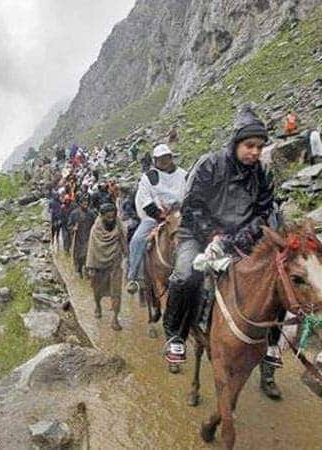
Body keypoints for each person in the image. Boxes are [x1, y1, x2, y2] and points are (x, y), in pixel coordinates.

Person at [163, 105, 283, 399]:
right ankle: (175, 335)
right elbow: (191, 205)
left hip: (241, 238)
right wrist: (213, 234)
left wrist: (238, 238)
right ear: (236, 143)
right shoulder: (209, 164)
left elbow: (264, 211)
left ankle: (271, 344)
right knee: (186, 275)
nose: (255, 152)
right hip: (199, 233)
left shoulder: (263, 174)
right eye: (249, 145)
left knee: (277, 279)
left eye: (259, 146)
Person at [126, 144, 187, 294]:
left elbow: (189, 195)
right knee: (137, 240)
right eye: (160, 159)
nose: (164, 162)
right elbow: (145, 200)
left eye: (167, 158)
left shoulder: (183, 174)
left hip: (180, 215)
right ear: (155, 160)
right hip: (155, 217)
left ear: (171, 158)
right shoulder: (148, 178)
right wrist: (160, 214)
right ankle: (134, 277)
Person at [86, 203, 128, 331]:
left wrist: (127, 254)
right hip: (98, 265)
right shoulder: (95, 229)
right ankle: (98, 306)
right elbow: (92, 249)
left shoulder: (119, 224)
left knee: (116, 292)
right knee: (97, 291)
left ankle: (115, 318)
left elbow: (123, 241)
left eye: (113, 216)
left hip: (115, 264)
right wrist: (90, 267)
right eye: (108, 217)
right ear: (102, 216)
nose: (111, 219)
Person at [68, 196, 97, 277]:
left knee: (87, 254)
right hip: (78, 238)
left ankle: (87, 270)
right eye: (84, 203)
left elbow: (96, 223)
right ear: (80, 204)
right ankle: (79, 269)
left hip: (88, 237)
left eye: (86, 203)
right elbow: (69, 225)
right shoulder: (74, 213)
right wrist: (73, 228)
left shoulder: (91, 213)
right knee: (79, 255)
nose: (85, 205)